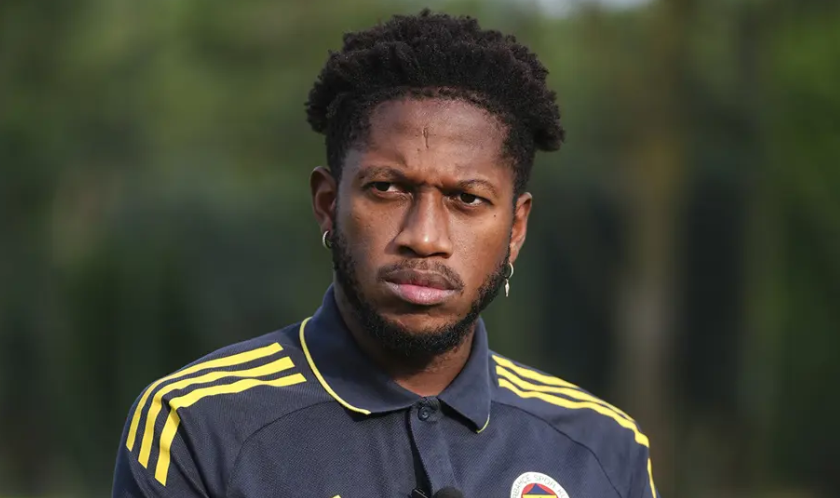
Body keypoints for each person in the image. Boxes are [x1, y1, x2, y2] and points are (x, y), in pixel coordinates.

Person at [112, 10, 658, 498]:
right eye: (387, 188)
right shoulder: (198, 425)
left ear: (515, 228)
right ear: (328, 204)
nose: (424, 236)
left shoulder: (604, 449)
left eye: (467, 199)